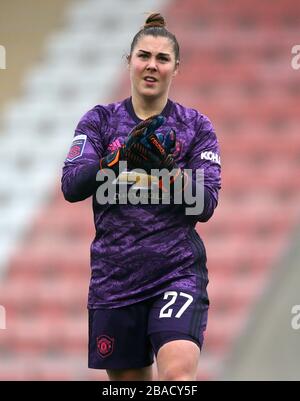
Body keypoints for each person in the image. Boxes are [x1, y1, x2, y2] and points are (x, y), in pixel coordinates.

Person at [61, 12, 221, 381]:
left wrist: (167, 171)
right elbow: (72, 185)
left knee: (178, 379)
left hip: (176, 272)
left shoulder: (196, 126)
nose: (152, 66)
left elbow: (206, 203)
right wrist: (118, 160)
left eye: (162, 59)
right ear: (129, 61)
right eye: (144, 56)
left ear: (175, 68)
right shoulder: (99, 121)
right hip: (114, 281)